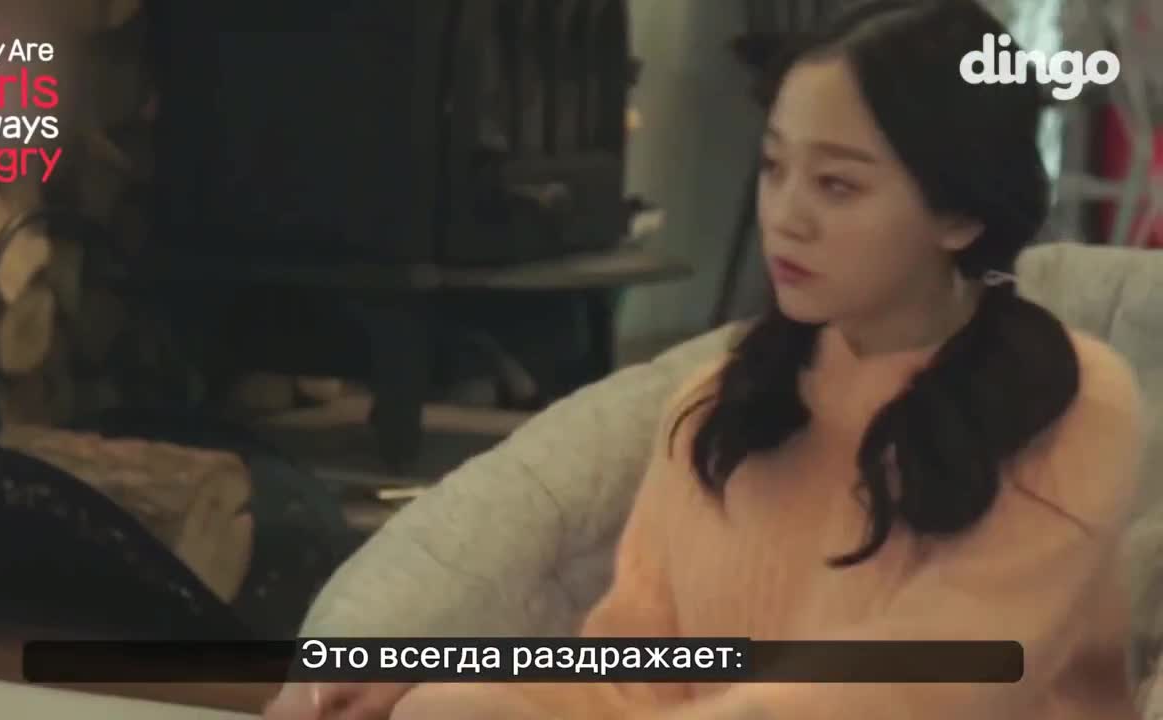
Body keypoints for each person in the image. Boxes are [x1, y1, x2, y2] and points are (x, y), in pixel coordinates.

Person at [267, 0, 1146, 717]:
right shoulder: (724, 401)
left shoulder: (1070, 403)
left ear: (960, 213)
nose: (786, 215)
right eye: (774, 168)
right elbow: (640, 663)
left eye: (837, 184)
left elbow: (935, 682)